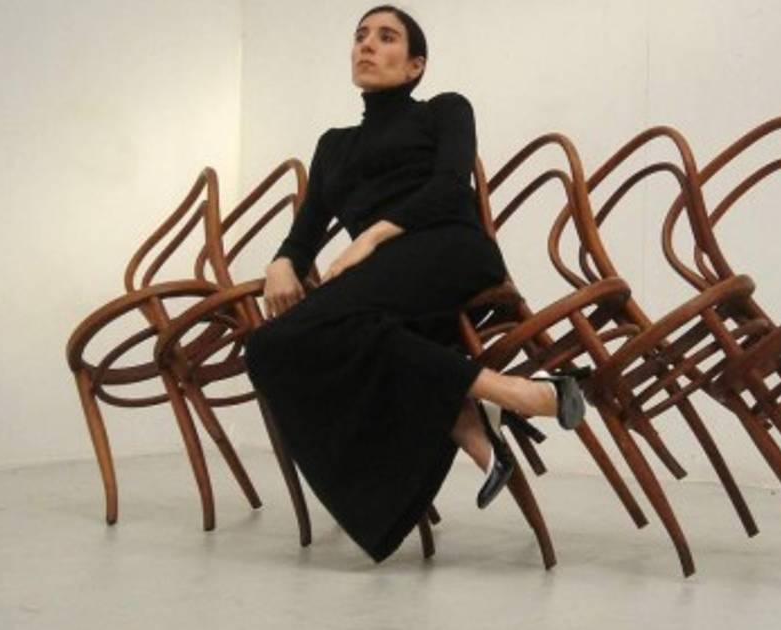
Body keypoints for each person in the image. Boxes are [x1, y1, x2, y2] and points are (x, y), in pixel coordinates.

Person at [243, 4, 589, 564]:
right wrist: (282, 262)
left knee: (331, 321)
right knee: (268, 346)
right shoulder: (333, 146)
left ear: (415, 65)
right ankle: (490, 403)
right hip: (382, 281)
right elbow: (303, 235)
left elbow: (450, 187)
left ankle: (497, 404)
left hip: (450, 248)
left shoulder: (445, 110)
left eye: (386, 37)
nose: (367, 45)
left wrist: (371, 236)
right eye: (361, 36)